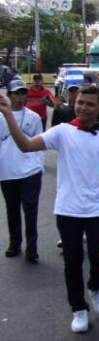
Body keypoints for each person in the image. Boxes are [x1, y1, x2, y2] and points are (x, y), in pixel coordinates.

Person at [0, 85, 99, 333]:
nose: (83, 107)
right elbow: (25, 145)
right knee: (73, 260)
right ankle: (79, 309)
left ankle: (94, 287)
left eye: (89, 104)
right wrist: (8, 115)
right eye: (79, 102)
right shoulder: (63, 132)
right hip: (68, 209)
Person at [0, 80, 44, 261]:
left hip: (30, 171)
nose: (20, 97)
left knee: (30, 210)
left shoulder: (33, 117)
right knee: (12, 209)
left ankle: (32, 247)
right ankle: (14, 243)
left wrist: (38, 165)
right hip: (7, 170)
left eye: (23, 93)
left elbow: (40, 143)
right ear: (9, 95)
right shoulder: (1, 117)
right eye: (16, 93)